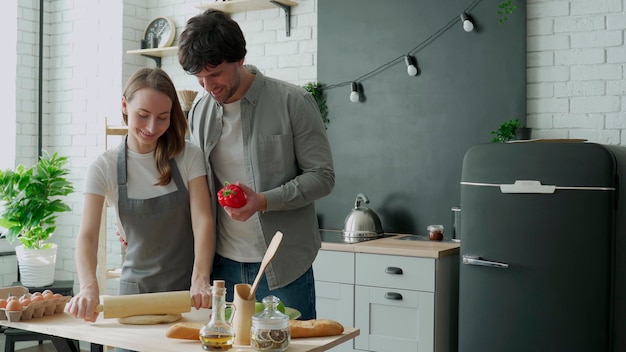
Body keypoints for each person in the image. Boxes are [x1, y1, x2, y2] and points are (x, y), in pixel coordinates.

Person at [177, 9, 335, 320]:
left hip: (283, 265)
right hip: (222, 265)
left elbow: (323, 176)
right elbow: (196, 186)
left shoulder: (293, 101)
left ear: (239, 58)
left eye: (215, 74)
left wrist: (263, 201)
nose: (208, 86)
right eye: (199, 78)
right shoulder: (200, 110)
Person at [65, 68, 216, 327]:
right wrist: (89, 287)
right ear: (124, 105)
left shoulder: (188, 156)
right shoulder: (104, 166)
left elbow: (203, 220)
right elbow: (87, 236)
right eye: (143, 115)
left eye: (162, 118)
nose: (151, 127)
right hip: (133, 297)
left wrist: (200, 278)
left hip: (188, 294)